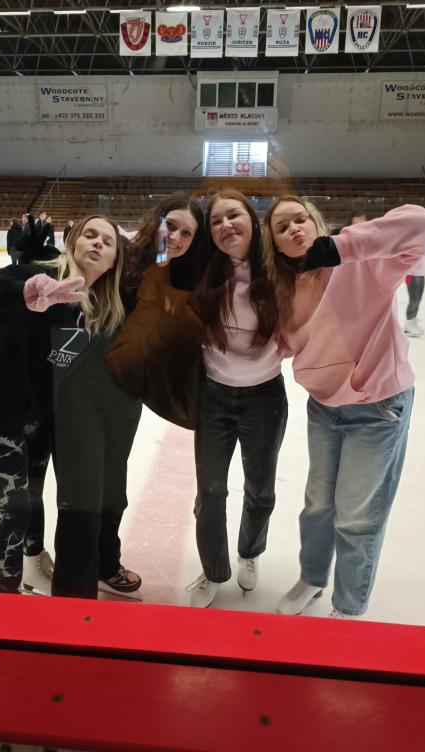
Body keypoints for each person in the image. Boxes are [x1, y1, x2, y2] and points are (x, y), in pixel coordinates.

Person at [0, 214, 139, 599]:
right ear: (73, 243)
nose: (97, 243)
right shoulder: (37, 276)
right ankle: (9, 600)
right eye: (89, 234)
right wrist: (21, 293)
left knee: (33, 498)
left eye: (107, 241)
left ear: (115, 260)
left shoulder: (106, 307)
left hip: (42, 419)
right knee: (14, 511)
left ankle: (33, 562)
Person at [263, 195, 425, 618]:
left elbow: (420, 223)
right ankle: (312, 577)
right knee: (318, 505)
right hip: (323, 408)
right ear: (275, 245)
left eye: (300, 219)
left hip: (377, 408)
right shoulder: (285, 291)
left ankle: (349, 606)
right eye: (282, 228)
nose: (294, 229)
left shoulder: (361, 262)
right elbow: (279, 345)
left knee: (357, 516)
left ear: (316, 221)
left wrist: (344, 246)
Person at [185, 190, 288, 608]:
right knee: (210, 492)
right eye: (216, 221)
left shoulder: (279, 270)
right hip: (214, 397)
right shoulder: (204, 273)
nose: (225, 225)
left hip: (265, 397)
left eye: (234, 215)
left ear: (253, 221)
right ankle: (213, 569)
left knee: (260, 489)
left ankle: (249, 550)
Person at [105, 193, 207, 429]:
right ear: (157, 222)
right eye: (170, 225)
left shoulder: (193, 278)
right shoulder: (125, 255)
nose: (175, 237)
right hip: (100, 370)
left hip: (133, 384)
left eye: (186, 233)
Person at [404, 241, 425, 338]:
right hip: (412, 274)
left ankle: (412, 321)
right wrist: (406, 273)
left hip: (422, 275)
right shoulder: (416, 240)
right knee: (414, 300)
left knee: (418, 300)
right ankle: (408, 324)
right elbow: (406, 258)